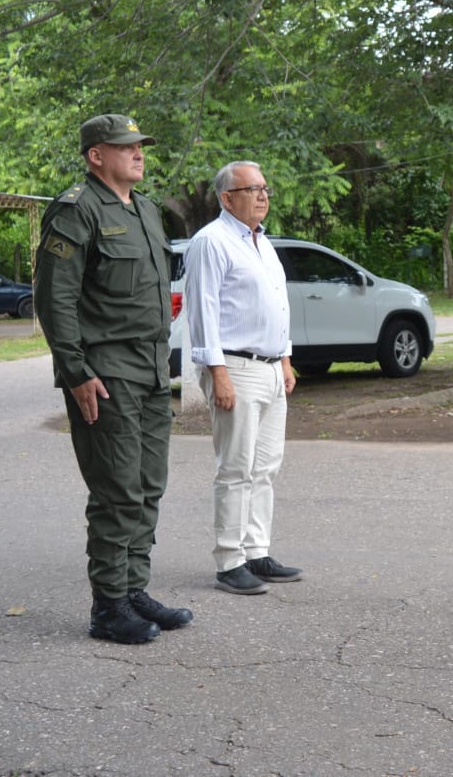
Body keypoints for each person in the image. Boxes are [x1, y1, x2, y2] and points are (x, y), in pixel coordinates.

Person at [35, 113, 193, 644]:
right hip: (106, 373)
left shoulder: (145, 210)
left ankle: (133, 589)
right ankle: (108, 607)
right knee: (117, 489)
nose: (138, 153)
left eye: (140, 146)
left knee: (149, 486)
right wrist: (75, 371)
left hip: (149, 371)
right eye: (125, 147)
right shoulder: (77, 210)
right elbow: (54, 298)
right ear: (96, 155)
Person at [184, 161, 303, 596]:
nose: (262, 195)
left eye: (265, 188)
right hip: (235, 367)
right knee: (235, 468)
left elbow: (279, 305)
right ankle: (229, 559)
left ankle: (257, 551)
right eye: (251, 188)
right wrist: (217, 373)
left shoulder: (261, 242)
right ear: (226, 198)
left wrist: (286, 360)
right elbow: (203, 311)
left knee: (266, 467)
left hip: (271, 369)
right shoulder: (211, 242)